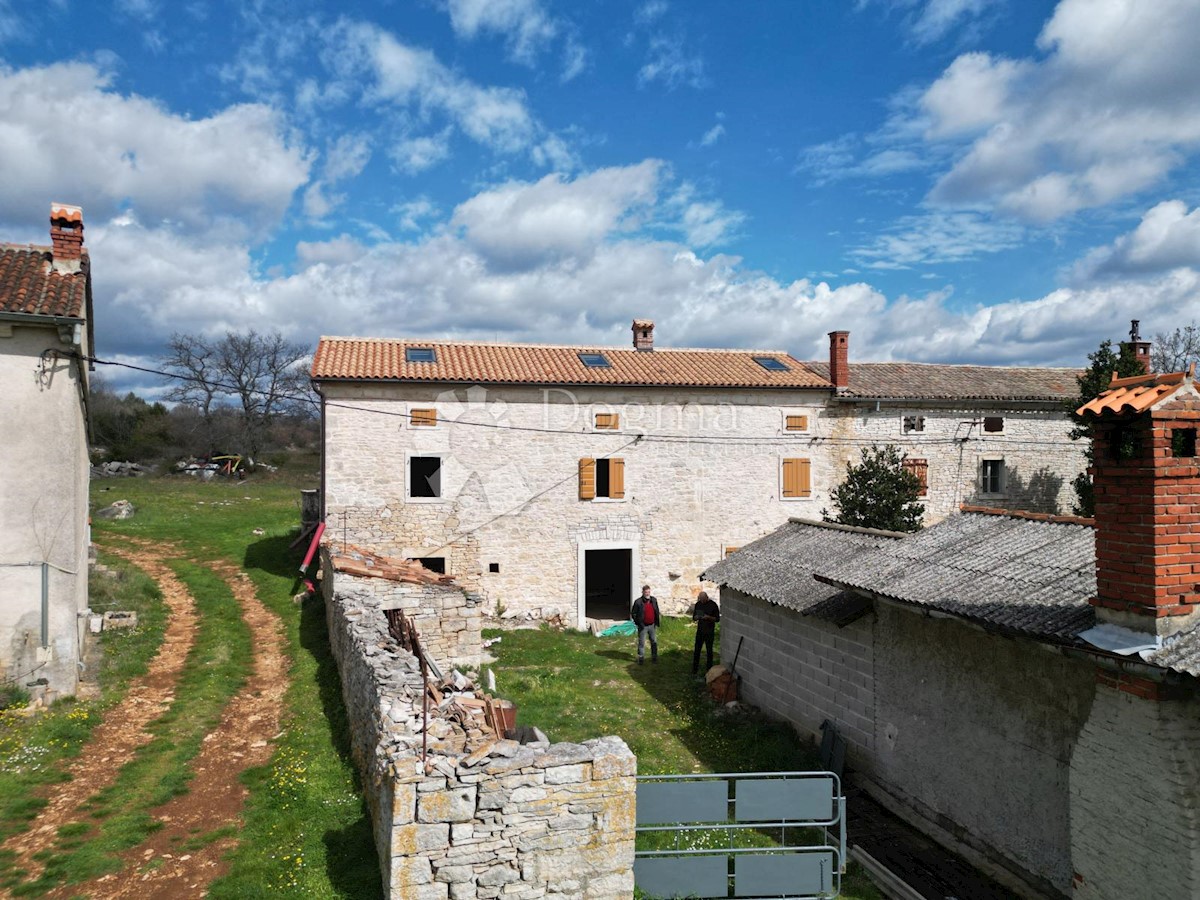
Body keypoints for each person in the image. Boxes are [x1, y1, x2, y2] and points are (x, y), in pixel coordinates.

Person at [692, 590, 720, 675]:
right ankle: (694, 669)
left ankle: (709, 669)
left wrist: (708, 617)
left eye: (703, 599)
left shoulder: (713, 605)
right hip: (700, 631)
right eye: (700, 599)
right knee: (697, 650)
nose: (702, 601)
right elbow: (694, 617)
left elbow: (717, 619)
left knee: (709, 651)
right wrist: (697, 617)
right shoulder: (698, 604)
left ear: (706, 598)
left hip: (709, 631)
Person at [630, 585, 660, 665]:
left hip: (652, 625)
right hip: (643, 626)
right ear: (643, 592)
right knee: (642, 642)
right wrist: (638, 623)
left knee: (654, 641)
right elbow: (633, 613)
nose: (647, 594)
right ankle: (641, 658)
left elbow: (657, 611)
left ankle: (654, 657)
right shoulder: (638, 602)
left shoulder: (653, 600)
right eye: (646, 592)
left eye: (648, 592)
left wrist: (656, 622)